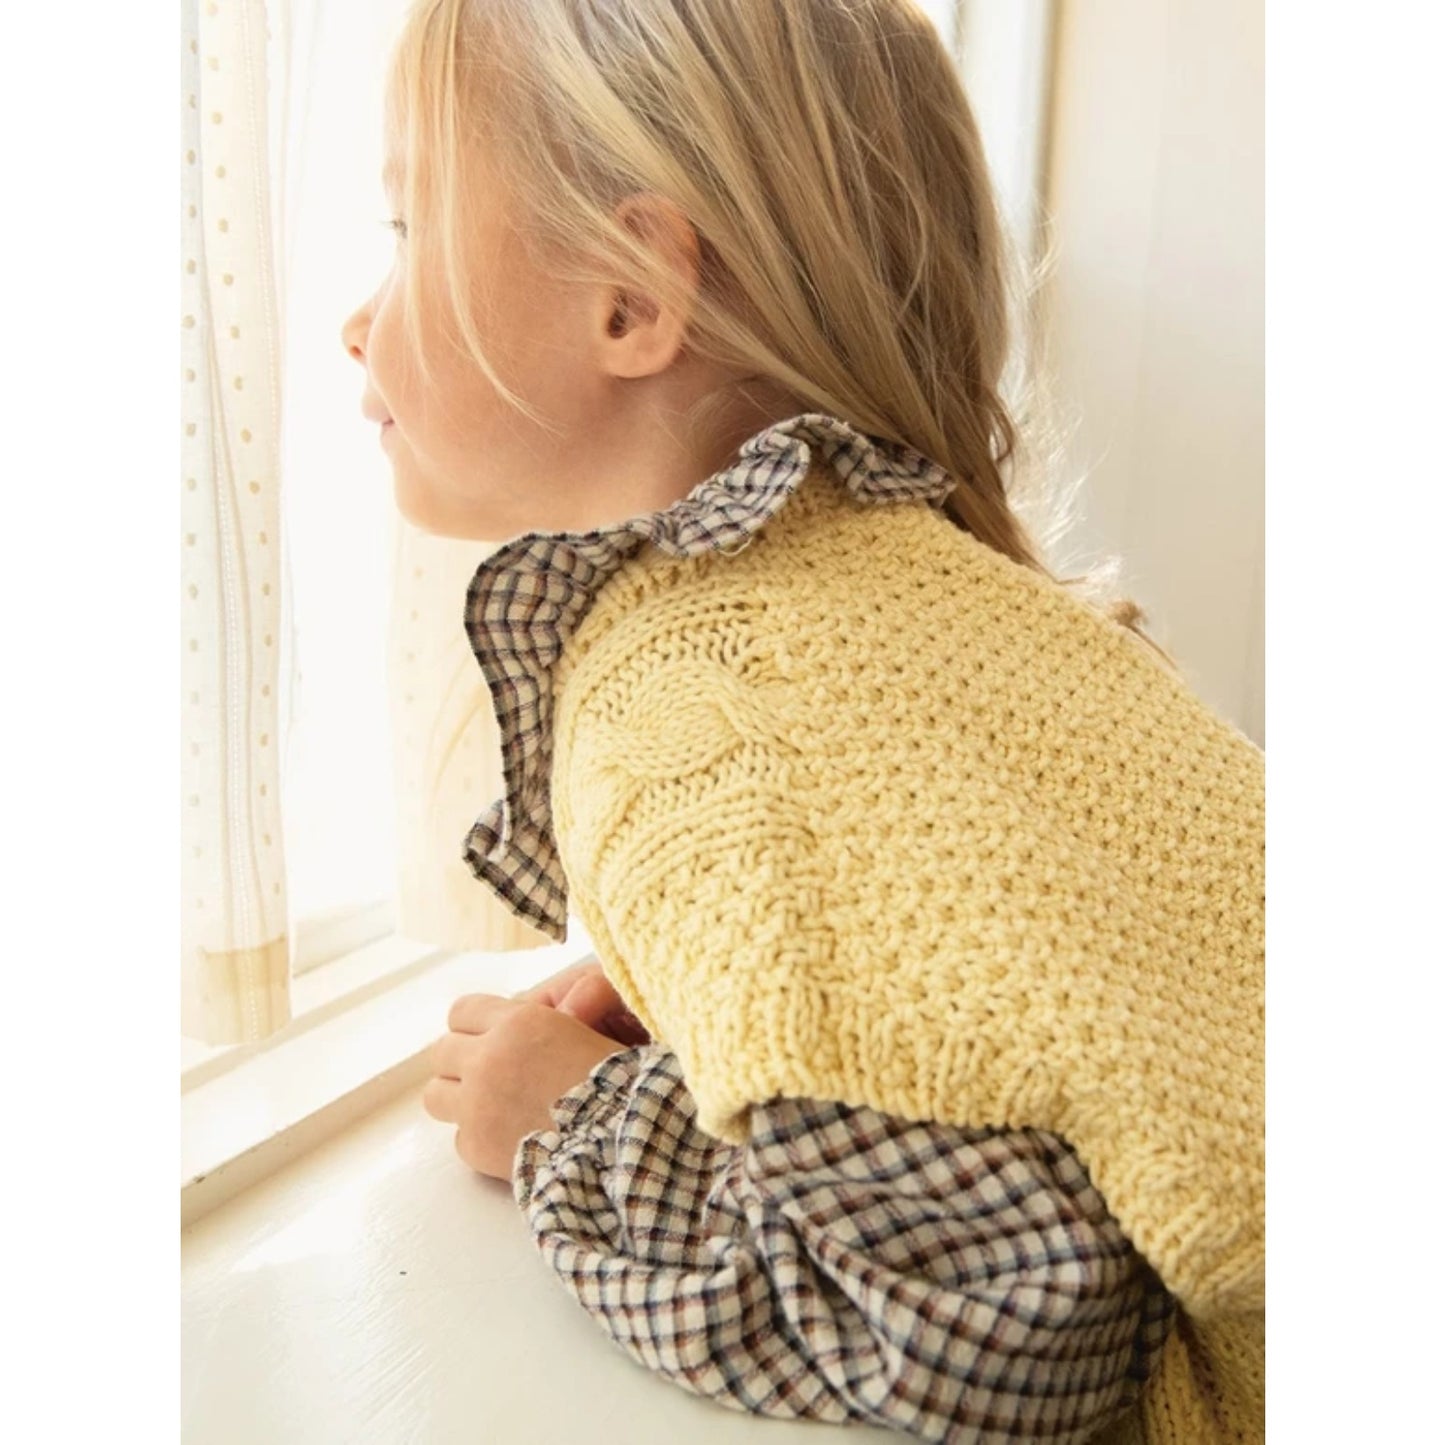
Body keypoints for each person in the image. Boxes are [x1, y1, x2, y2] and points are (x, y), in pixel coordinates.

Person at [339, 2, 1263, 1439]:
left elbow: (1009, 1329)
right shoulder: (918, 597)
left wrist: (580, 1119)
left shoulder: (695, 704)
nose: (356, 321)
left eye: (406, 232)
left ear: (630, 299)